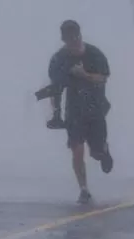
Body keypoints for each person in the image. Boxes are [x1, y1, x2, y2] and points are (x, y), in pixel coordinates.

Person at [43, 20, 114, 203]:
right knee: (77, 149)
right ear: (63, 40)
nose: (72, 42)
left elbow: (103, 79)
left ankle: (103, 151)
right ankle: (84, 189)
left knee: (95, 152)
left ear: (80, 36)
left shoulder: (94, 54)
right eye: (68, 40)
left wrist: (85, 76)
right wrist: (56, 113)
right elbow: (55, 89)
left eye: (75, 38)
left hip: (96, 108)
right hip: (74, 110)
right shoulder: (59, 59)